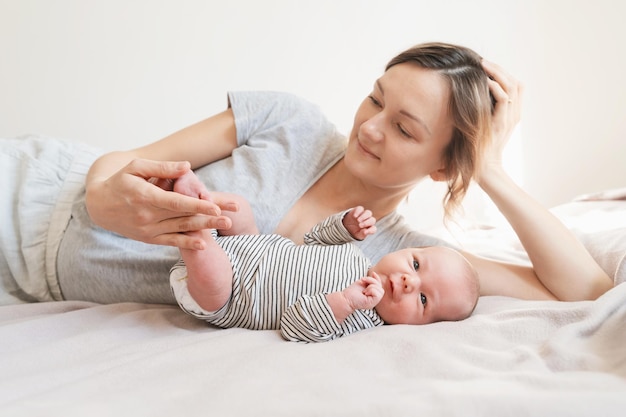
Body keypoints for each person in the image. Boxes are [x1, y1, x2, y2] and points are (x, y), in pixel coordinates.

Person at [0, 42, 613, 306]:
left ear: (444, 164)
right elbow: (116, 161)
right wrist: (106, 194)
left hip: (34, 283)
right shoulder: (289, 121)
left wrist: (492, 169)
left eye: (404, 128)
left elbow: (586, 290)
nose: (370, 127)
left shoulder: (399, 257)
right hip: (33, 196)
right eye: (375, 99)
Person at [169, 170, 479, 342]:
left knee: (212, 273)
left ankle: (192, 224)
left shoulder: (360, 321)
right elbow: (313, 239)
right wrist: (345, 226)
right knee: (237, 208)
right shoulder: (357, 256)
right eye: (415, 264)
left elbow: (294, 325)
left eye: (423, 300)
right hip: (248, 245)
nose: (410, 282)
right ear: (404, 252)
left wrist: (345, 302)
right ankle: (200, 199)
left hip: (230, 295)